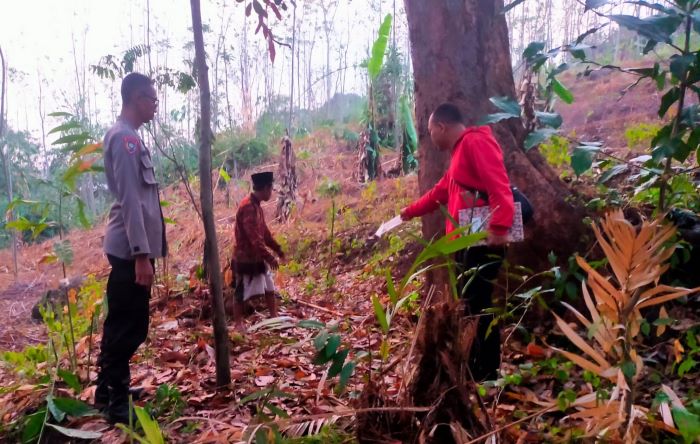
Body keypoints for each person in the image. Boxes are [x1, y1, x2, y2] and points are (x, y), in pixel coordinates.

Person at [400, 103, 514, 381]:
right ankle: (476, 365)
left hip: (482, 240)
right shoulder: (459, 153)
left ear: (442, 127)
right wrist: (407, 212)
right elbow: (440, 192)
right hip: (464, 242)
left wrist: (499, 227)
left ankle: (486, 371)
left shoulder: (476, 143)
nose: (431, 138)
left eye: (430, 132)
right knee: (471, 301)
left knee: (479, 301)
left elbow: (499, 185)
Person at [95, 72, 166, 424]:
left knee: (120, 322)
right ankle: (117, 406)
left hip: (127, 246)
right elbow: (131, 199)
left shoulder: (128, 137)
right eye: (152, 99)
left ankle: (106, 390)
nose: (155, 105)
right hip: (128, 249)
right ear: (137, 98)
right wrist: (142, 254)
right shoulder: (126, 140)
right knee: (130, 326)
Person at [231, 172, 284, 331]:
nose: (271, 192)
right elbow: (255, 238)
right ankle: (238, 323)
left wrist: (277, 249)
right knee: (241, 290)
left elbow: (264, 233)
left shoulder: (256, 206)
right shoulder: (248, 207)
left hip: (256, 257)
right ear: (266, 188)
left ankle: (273, 316)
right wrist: (269, 257)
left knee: (269, 286)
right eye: (271, 189)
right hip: (244, 258)